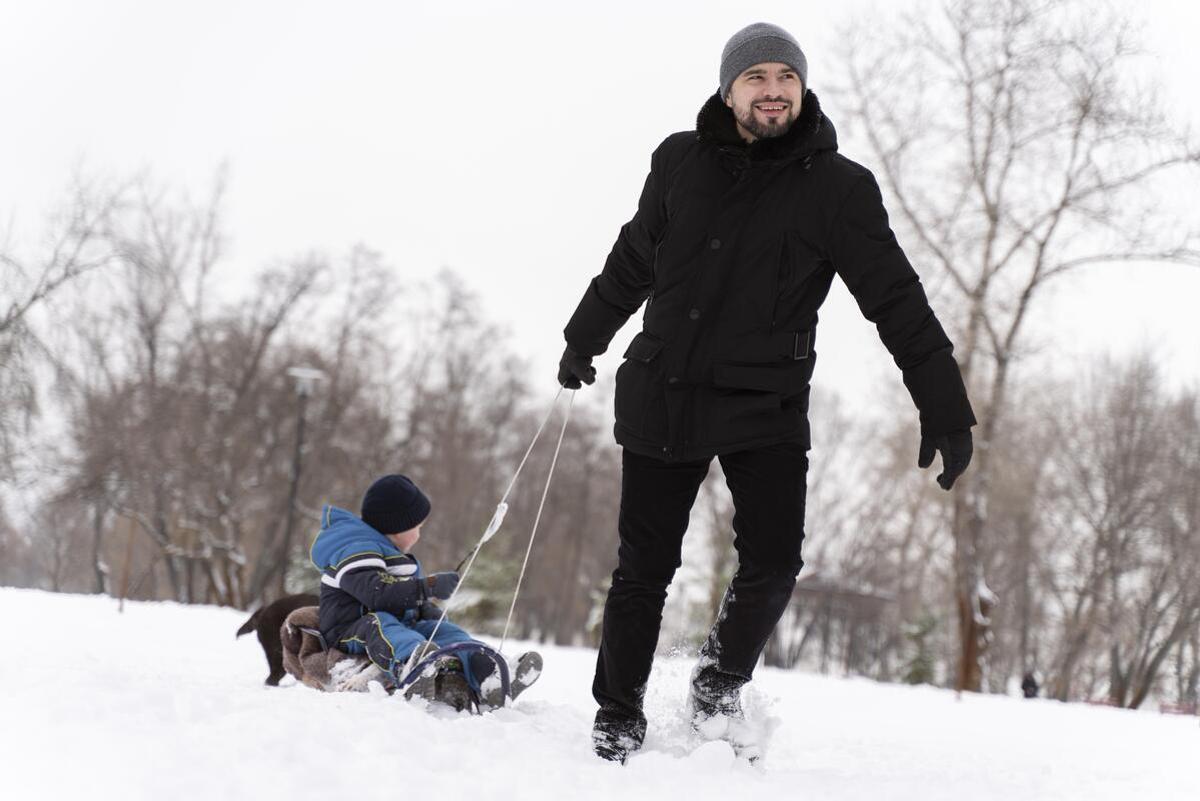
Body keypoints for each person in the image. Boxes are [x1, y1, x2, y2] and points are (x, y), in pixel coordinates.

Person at [558, 22, 976, 762]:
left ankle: (719, 679)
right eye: (757, 77)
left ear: (803, 88)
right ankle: (618, 710)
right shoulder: (679, 161)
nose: (773, 90)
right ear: (730, 89)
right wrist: (584, 336)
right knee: (644, 569)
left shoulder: (839, 189)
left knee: (776, 561)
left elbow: (897, 299)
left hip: (767, 403)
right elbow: (632, 257)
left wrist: (942, 401)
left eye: (786, 76)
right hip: (669, 389)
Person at [309, 473, 540, 709]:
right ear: (397, 527)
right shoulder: (353, 549)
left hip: (397, 627)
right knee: (380, 622)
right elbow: (376, 594)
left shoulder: (393, 554)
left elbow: (402, 600)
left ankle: (489, 675)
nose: (420, 533)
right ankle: (411, 665)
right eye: (417, 526)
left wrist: (427, 611)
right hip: (350, 629)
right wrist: (426, 587)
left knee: (444, 631)